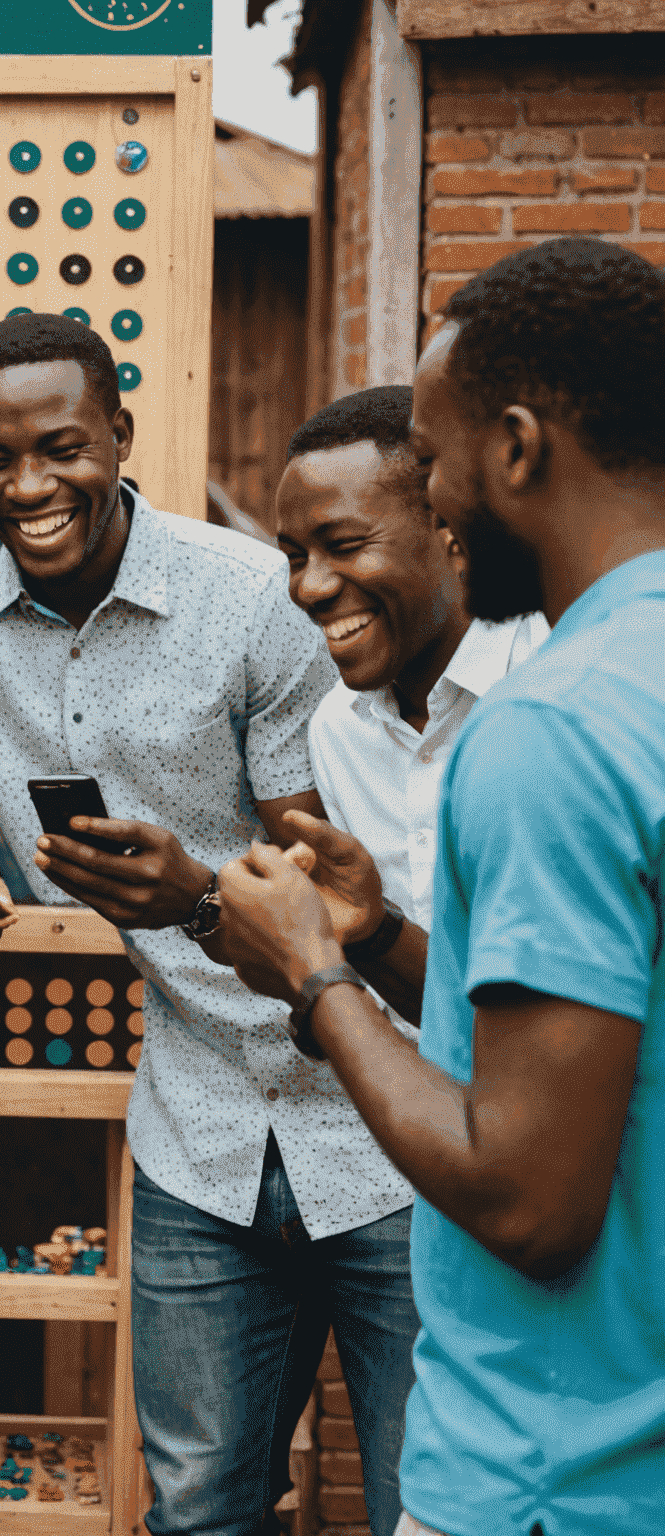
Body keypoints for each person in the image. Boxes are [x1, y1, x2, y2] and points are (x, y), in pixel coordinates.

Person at [0, 312, 419, 1536]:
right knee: (197, 1508)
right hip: (197, 1126)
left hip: (378, 1119)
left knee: (421, 1506)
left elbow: (320, 887)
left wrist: (191, 894)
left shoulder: (253, 603)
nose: (29, 486)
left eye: (63, 448)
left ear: (121, 437)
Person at [218, 237, 665, 1536]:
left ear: (516, 449)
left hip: (555, 1474)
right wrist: (383, 935)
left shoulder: (554, 727)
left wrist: (311, 973)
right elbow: (586, 1053)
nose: (438, 492)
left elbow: (526, 1192)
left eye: (439, 451)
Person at [275, 385, 547, 1031]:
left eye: (343, 544)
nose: (309, 587)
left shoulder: (549, 682)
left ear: (446, 527)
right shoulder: (338, 731)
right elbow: (429, 1007)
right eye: (294, 557)